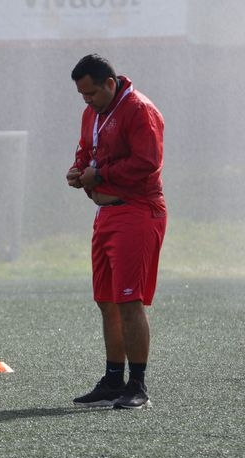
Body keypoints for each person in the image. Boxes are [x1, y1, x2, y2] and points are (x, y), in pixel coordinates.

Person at [66, 54, 167, 410]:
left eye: (91, 93)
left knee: (128, 299)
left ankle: (138, 386)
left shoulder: (140, 110)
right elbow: (85, 150)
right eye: (82, 95)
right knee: (106, 300)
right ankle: (113, 379)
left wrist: (100, 175)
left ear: (110, 83)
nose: (87, 100)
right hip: (105, 213)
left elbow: (147, 162)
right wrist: (78, 172)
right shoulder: (92, 112)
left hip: (137, 211)